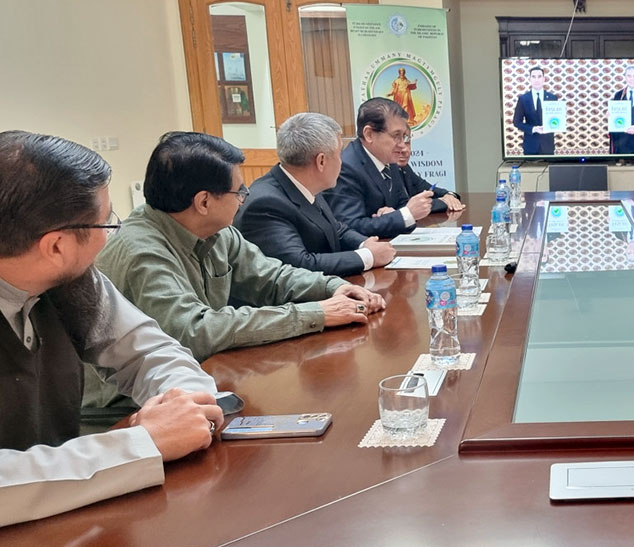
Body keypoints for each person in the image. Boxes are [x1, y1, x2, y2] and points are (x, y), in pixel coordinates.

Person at [0, 131, 224, 526]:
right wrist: (139, 445)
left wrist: (181, 404)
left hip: (67, 518)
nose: (115, 230)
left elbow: (147, 350)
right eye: (107, 223)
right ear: (55, 247)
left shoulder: (73, 279)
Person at [95, 131, 386, 366]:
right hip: (129, 410)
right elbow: (195, 331)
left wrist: (332, 287)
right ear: (204, 202)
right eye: (239, 191)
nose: (245, 198)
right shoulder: (142, 252)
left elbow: (271, 277)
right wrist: (316, 313)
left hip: (196, 378)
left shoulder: (217, 231)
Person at [235, 112, 396, 276]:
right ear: (321, 161)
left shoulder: (305, 184)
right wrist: (368, 257)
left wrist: (364, 243)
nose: (342, 162)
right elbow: (298, 265)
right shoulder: (264, 204)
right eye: (339, 154)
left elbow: (335, 229)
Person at [326, 98, 463, 239]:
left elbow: (402, 203)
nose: (403, 145)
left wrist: (395, 215)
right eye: (396, 136)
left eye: (404, 137)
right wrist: (404, 215)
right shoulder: (346, 168)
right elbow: (350, 227)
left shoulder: (388, 158)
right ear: (369, 134)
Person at [512, 66, 559, 155]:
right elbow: (516, 122)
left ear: (544, 79)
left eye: (539, 76)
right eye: (533, 77)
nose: (536, 80)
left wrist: (555, 124)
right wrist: (533, 129)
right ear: (530, 79)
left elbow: (556, 120)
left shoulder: (552, 98)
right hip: (530, 145)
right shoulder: (523, 99)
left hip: (547, 146)